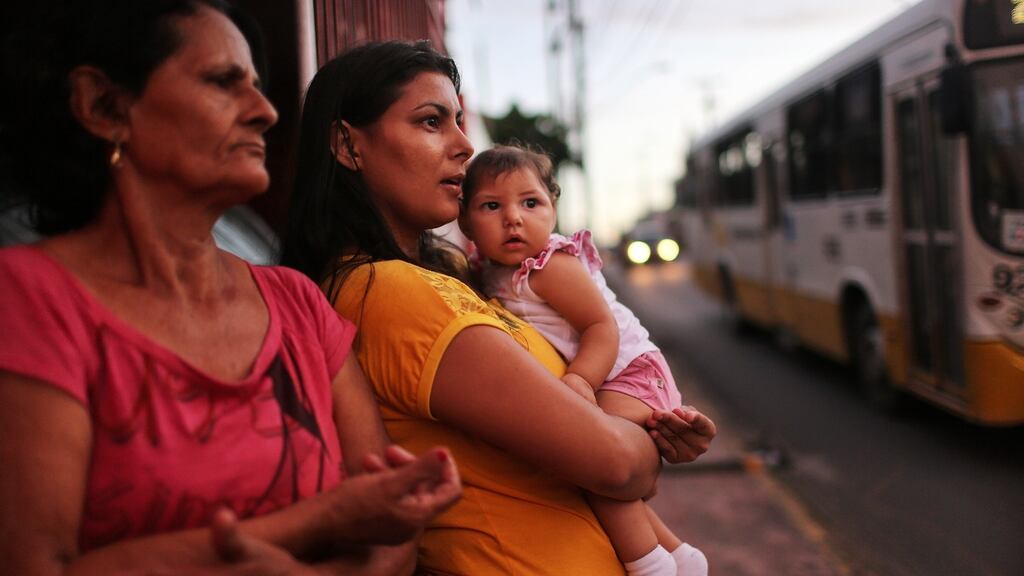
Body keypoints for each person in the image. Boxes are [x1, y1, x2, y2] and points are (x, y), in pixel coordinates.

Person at [0, 2, 460, 574]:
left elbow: (392, 525)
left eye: (260, 87)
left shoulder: (297, 302)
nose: (265, 112)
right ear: (103, 106)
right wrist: (318, 520)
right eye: (224, 82)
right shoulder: (31, 297)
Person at [281, 40, 717, 575]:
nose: (464, 145)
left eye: (459, 120)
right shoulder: (391, 292)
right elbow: (619, 466)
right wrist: (641, 443)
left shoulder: (452, 276)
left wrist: (642, 430)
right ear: (348, 146)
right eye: (430, 121)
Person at [458, 145, 708, 576]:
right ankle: (681, 557)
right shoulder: (489, 268)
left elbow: (600, 327)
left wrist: (580, 381)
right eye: (491, 206)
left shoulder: (548, 266)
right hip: (610, 377)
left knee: (589, 455)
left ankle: (649, 565)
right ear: (465, 222)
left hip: (629, 372)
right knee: (594, 469)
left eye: (530, 203)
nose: (513, 218)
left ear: (553, 209)